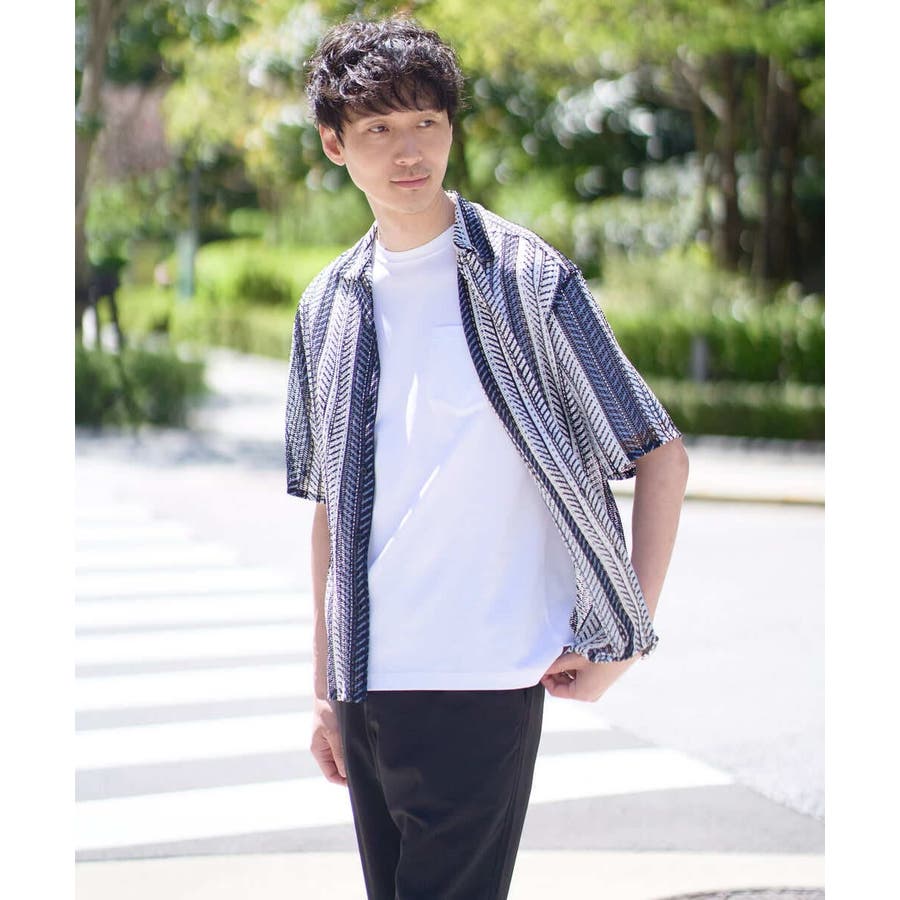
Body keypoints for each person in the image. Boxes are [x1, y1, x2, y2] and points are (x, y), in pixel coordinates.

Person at [285, 16, 690, 900]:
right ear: (334, 144)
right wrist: (323, 688)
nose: (409, 150)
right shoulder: (327, 305)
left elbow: (659, 450)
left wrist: (627, 637)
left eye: (427, 121)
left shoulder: (525, 278)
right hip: (367, 680)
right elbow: (330, 509)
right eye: (379, 128)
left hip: (481, 673)